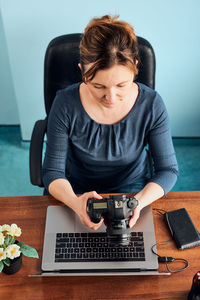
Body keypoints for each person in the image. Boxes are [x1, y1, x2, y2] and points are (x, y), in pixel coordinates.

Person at [42, 15, 178, 231]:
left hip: (132, 192)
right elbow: (52, 172)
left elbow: (168, 170)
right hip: (76, 190)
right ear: (82, 71)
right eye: (98, 86)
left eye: (121, 85)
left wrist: (138, 203)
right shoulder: (65, 103)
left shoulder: (152, 104)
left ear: (135, 67)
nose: (111, 98)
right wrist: (76, 203)